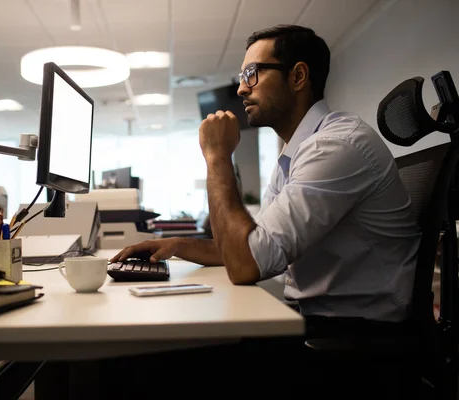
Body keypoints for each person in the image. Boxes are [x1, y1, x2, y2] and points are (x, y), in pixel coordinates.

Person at [105, 24, 421, 399]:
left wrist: (217, 157)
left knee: (129, 363)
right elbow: (251, 245)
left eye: (251, 74)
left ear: (298, 76)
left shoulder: (338, 147)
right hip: (321, 328)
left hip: (351, 346)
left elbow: (244, 263)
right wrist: (175, 245)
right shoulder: (298, 153)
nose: (241, 88)